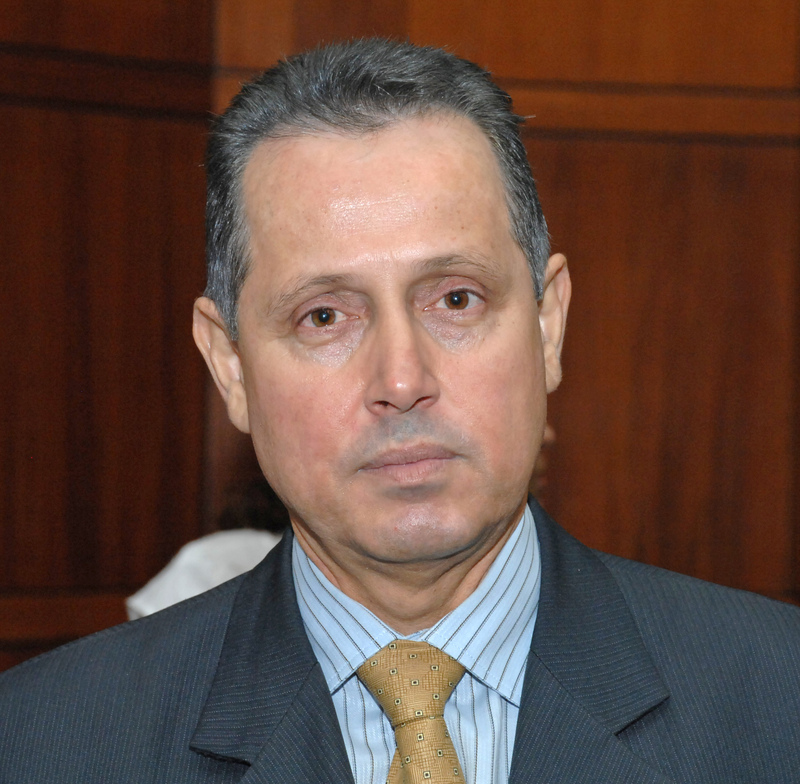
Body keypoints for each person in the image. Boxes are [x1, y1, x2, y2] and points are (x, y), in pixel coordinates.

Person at [1, 38, 799, 784]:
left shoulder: (778, 703)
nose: (403, 378)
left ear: (548, 326)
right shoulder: (45, 744)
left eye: (456, 299)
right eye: (324, 316)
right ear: (230, 366)